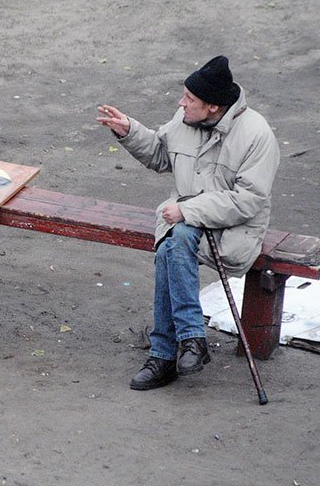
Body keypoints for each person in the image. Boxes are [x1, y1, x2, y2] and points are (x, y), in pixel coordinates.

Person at [96, 55, 280, 390]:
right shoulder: (184, 120)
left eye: (189, 99)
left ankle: (163, 355)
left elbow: (249, 201)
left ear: (212, 107)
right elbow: (160, 155)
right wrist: (129, 131)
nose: (182, 103)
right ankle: (191, 339)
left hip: (234, 229)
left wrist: (189, 211)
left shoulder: (257, 135)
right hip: (185, 220)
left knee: (174, 240)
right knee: (176, 239)